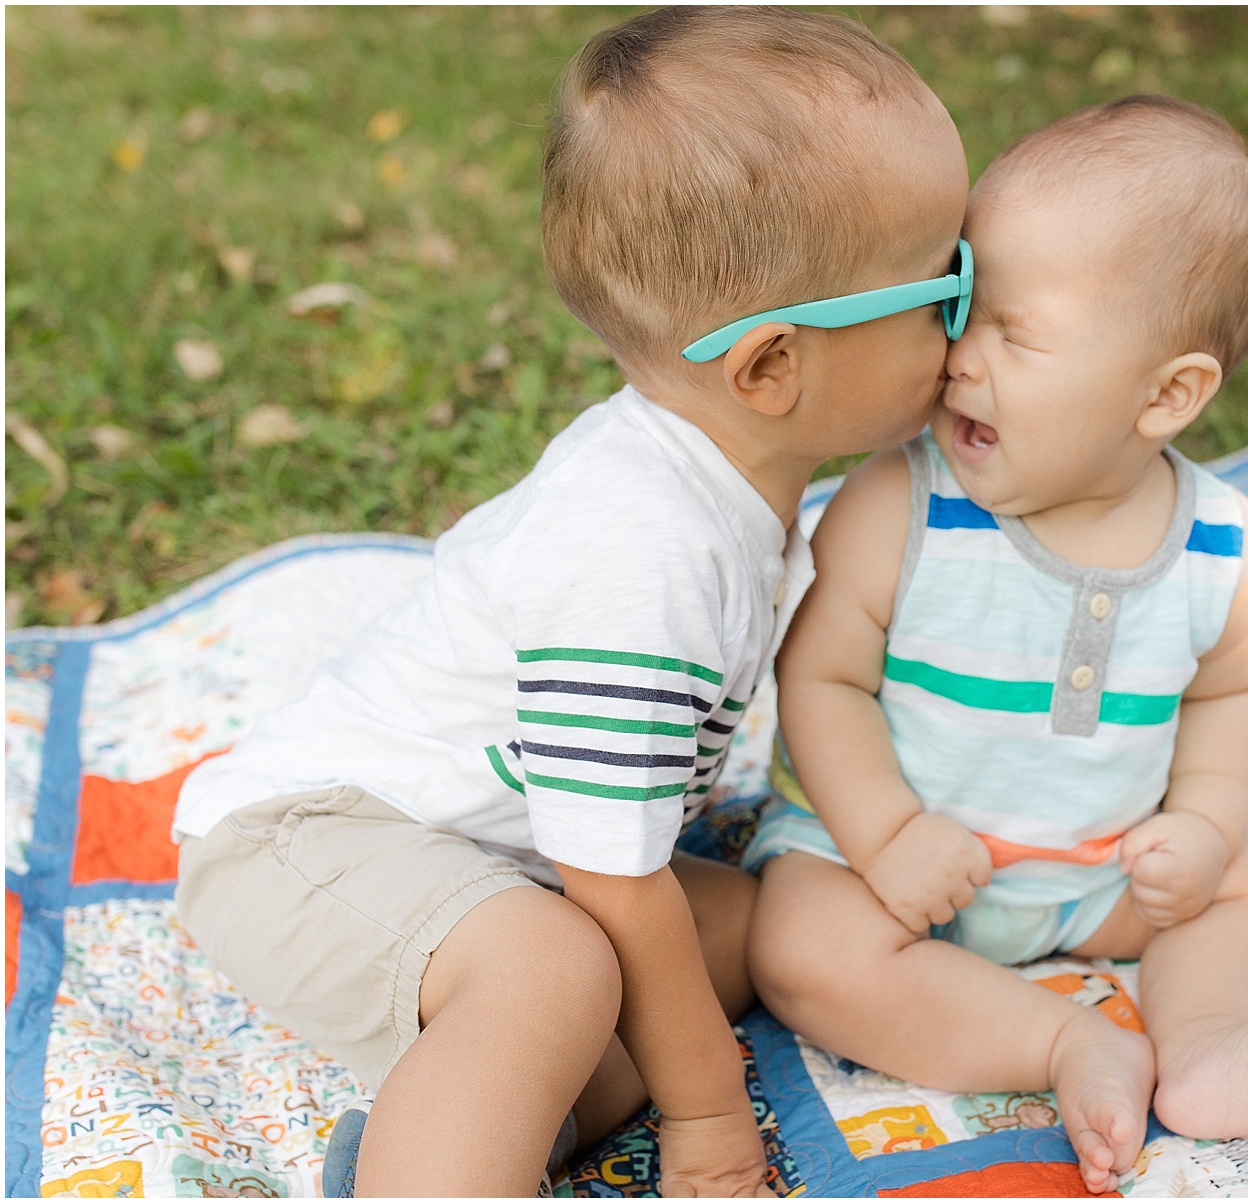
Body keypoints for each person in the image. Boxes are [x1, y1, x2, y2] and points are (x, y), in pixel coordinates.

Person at [169, 7, 969, 1196]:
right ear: (773, 367)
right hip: (309, 843)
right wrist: (706, 1115)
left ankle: (435, 1142)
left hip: (499, 863)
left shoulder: (729, 480)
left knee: (742, 931)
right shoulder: (642, 555)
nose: (973, 306)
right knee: (559, 968)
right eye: (944, 282)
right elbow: (609, 878)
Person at [745, 95, 1248, 1196]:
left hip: (1098, 867)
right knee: (797, 946)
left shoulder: (1216, 543)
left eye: (1016, 334)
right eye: (964, 307)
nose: (962, 358)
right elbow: (821, 675)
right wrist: (887, 833)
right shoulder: (902, 504)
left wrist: (1205, 831)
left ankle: (1212, 1044)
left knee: (1247, 881)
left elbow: (1223, 700)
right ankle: (1063, 1045)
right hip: (888, 868)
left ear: (1167, 394)